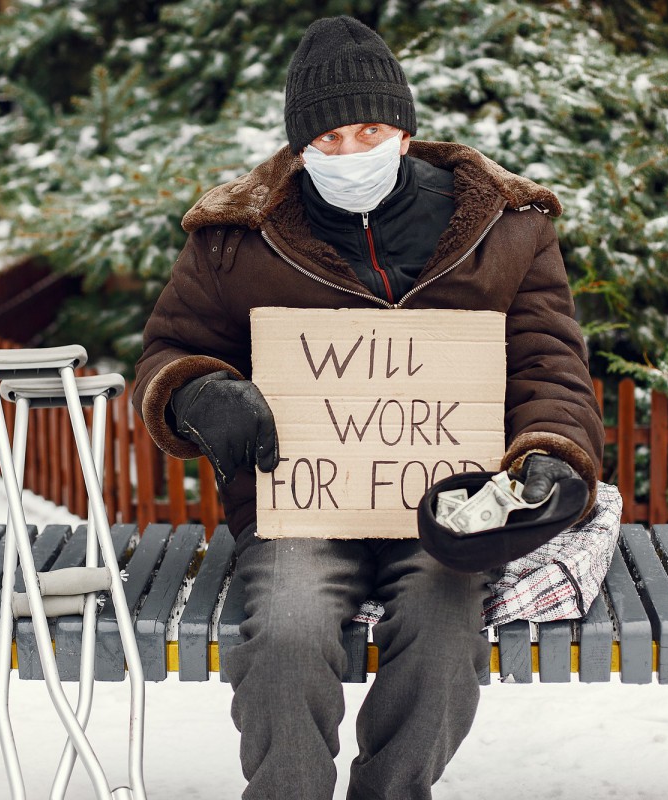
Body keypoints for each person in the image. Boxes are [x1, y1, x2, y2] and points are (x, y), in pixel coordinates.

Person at [132, 16, 604, 800]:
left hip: (452, 501)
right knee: (285, 632)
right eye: (329, 139)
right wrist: (196, 395)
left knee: (447, 632)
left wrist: (549, 451)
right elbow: (166, 353)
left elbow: (548, 363)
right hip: (300, 503)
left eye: (370, 129)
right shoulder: (233, 238)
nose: (351, 152)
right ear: (298, 147)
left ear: (404, 130)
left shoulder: (508, 229)